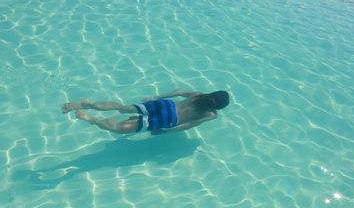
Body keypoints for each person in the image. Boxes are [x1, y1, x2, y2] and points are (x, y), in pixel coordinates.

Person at [62, 89, 229, 135]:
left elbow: (177, 91)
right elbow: (190, 124)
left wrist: (155, 97)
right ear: (219, 107)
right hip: (168, 119)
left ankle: (89, 104)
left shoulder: (198, 94)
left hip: (164, 105)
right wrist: (167, 132)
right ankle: (90, 118)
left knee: (121, 107)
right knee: (119, 129)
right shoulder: (211, 114)